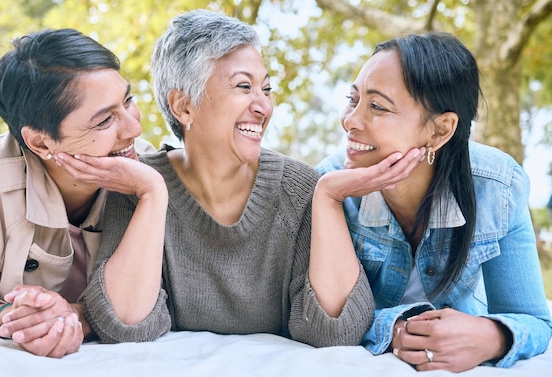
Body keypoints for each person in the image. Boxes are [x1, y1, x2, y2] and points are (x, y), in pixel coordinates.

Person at [66, 9, 419, 347]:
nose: (263, 106)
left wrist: (326, 196)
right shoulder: (137, 188)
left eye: (265, 89)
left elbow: (337, 333)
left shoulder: (300, 189)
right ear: (184, 106)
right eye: (243, 86)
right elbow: (125, 325)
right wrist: (152, 193)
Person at [316, 32, 552, 372]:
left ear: (439, 130)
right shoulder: (329, 184)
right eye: (353, 100)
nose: (351, 120)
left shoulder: (497, 187)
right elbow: (322, 316)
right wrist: (397, 329)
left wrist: (492, 335)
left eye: (377, 106)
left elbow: (532, 319)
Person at [0, 28, 167, 358]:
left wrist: (152, 191)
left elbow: (143, 307)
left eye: (128, 101)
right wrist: (13, 318)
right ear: (40, 142)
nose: (134, 129)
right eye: (104, 121)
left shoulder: (146, 170)